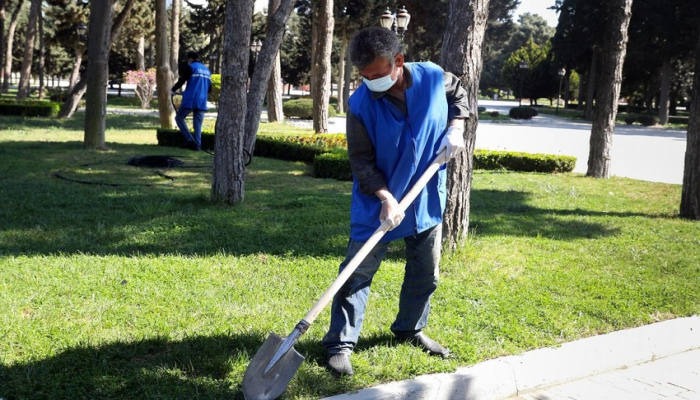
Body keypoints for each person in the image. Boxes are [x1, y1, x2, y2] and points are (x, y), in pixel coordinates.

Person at [322, 27, 470, 377]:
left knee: (425, 271)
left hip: (424, 195)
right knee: (356, 272)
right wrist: (386, 198)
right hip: (379, 202)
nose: (370, 82)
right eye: (364, 77)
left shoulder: (433, 77)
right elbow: (361, 161)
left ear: (398, 62)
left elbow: (458, 91)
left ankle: (410, 329)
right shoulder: (360, 105)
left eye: (377, 74)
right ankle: (339, 344)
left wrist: (458, 126)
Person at [172, 52, 212, 151]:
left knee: (179, 118)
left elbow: (182, 80)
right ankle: (197, 146)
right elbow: (209, 88)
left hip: (191, 99)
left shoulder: (191, 67)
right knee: (197, 125)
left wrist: (172, 90)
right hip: (202, 101)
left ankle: (190, 141)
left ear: (190, 58)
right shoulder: (207, 70)